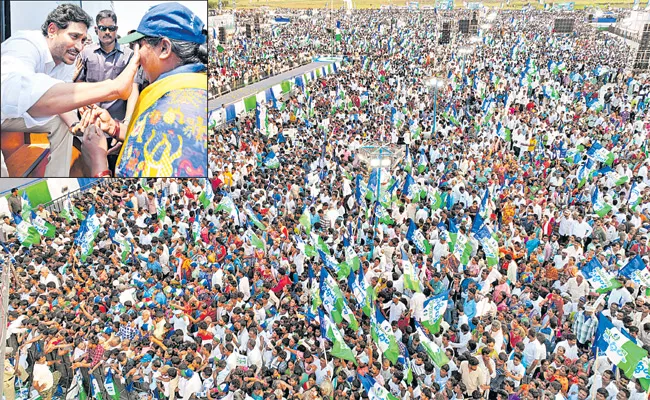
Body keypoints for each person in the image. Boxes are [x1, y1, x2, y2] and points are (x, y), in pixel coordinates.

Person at [1, 3, 140, 177]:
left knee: (63, 126)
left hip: (15, 114)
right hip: (7, 108)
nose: (79, 47)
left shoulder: (67, 58)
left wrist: (76, 125)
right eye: (73, 36)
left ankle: (57, 178)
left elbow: (63, 101)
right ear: (52, 30)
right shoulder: (24, 45)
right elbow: (15, 93)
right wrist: (113, 88)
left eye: (82, 40)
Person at [77, 2, 208, 177]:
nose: (136, 56)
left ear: (164, 48)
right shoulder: (191, 89)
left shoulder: (167, 115)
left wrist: (97, 160)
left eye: (139, 45)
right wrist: (115, 128)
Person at [75, 9, 139, 173]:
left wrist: (125, 125)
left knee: (120, 170)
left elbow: (133, 90)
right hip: (90, 127)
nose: (107, 32)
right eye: (103, 28)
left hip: (117, 125)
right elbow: (79, 85)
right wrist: (85, 115)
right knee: (94, 169)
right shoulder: (85, 54)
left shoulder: (129, 55)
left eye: (111, 28)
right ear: (96, 30)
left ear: (117, 29)